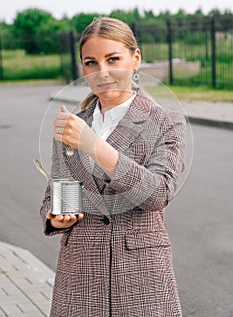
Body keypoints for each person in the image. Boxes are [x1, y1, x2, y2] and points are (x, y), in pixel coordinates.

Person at [40, 17, 186, 317]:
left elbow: (157, 194)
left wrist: (93, 144)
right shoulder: (72, 125)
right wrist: (57, 217)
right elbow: (55, 196)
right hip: (78, 273)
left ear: (135, 59)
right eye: (91, 62)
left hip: (141, 276)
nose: (102, 73)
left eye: (113, 59)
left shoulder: (165, 121)